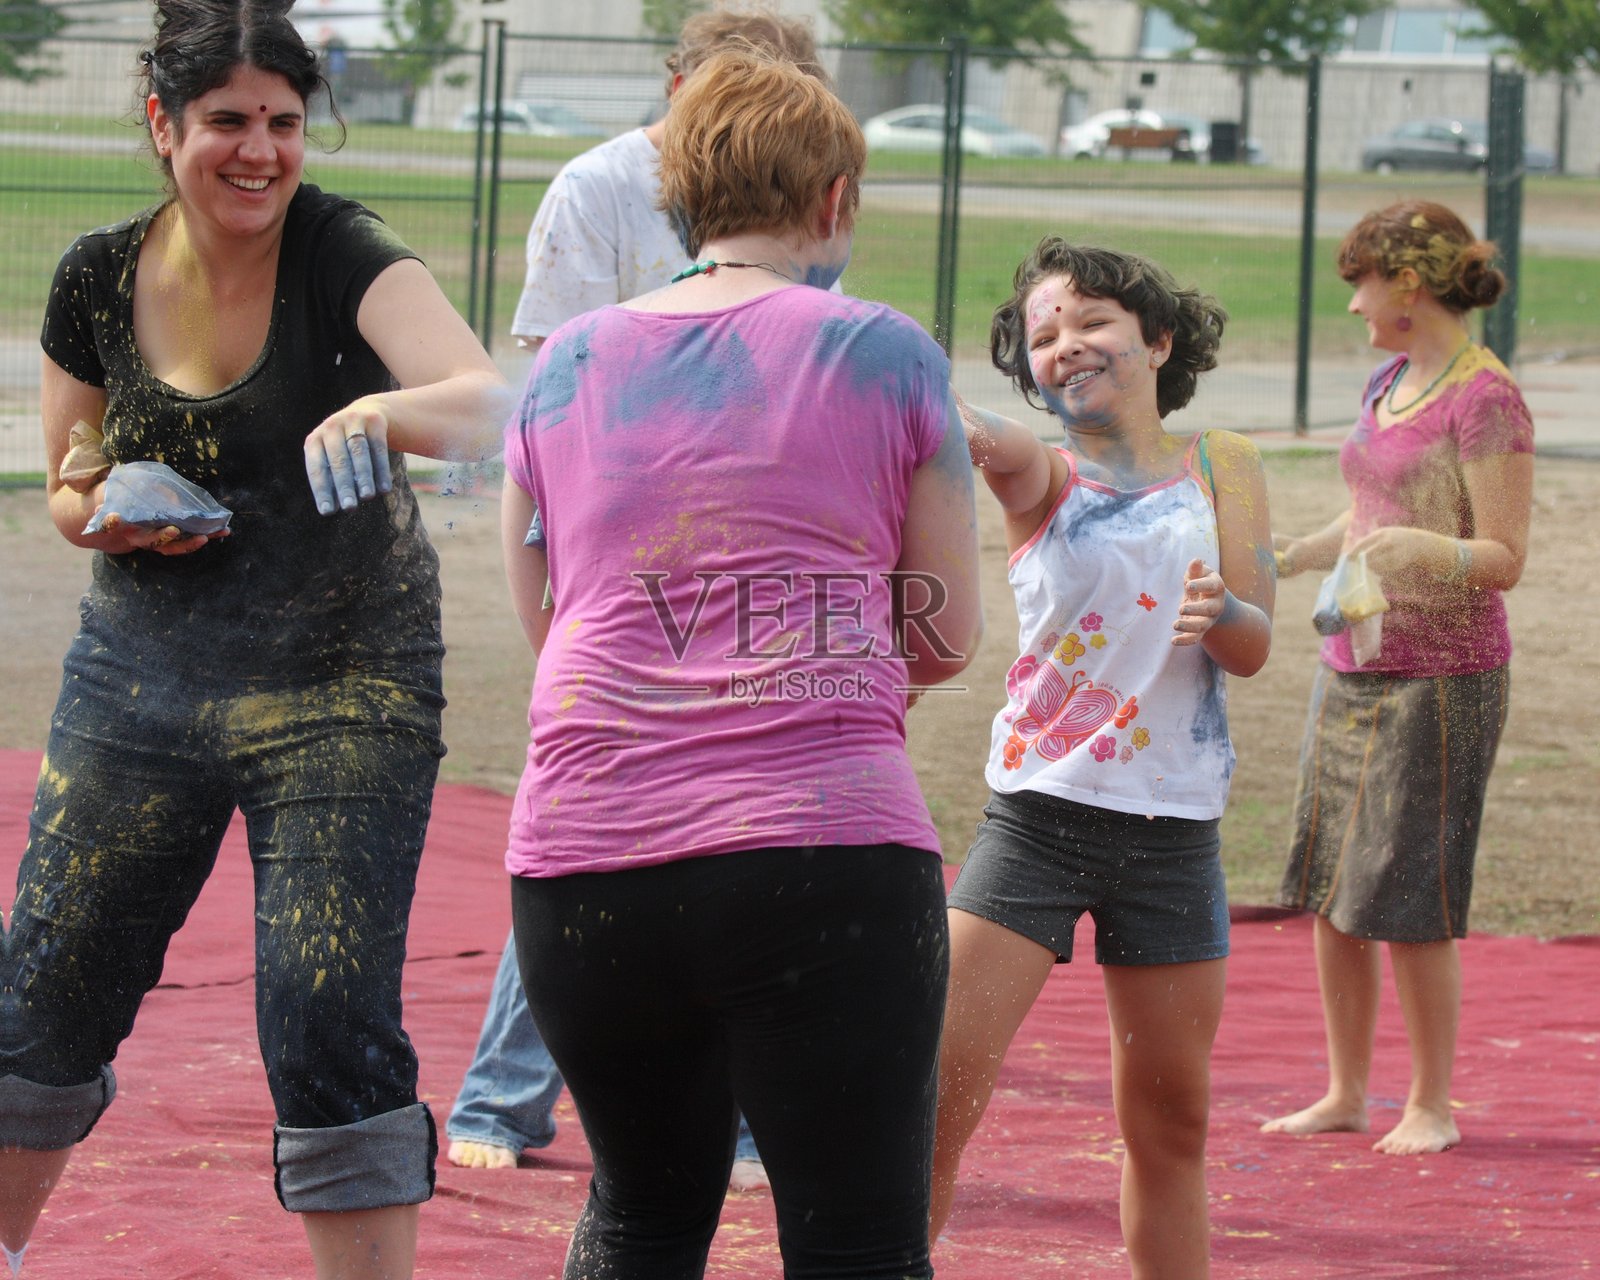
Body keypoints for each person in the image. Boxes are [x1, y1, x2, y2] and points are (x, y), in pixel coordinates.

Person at [0, 0, 511, 1274]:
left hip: (347, 680)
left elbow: (485, 404)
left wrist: (386, 408)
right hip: (141, 680)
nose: (260, 150)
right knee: (44, 995)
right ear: (163, 123)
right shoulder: (95, 275)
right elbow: (67, 479)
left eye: (284, 121)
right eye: (228, 120)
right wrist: (105, 516)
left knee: (324, 1009)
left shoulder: (345, 253)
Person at [500, 47, 981, 1279]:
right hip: (822, 852)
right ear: (833, 203)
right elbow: (941, 630)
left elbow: (551, 620)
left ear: (677, 199)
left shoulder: (563, 365)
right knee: (860, 1237)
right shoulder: (884, 352)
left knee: (639, 1218)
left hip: (587, 857)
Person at [447, 2, 825, 1189]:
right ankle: (503, 1096)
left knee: (752, 825)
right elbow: (544, 402)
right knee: (599, 820)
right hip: (623, 554)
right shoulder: (598, 187)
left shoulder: (813, 191)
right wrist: (557, 592)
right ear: (679, 84)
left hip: (758, 557)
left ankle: (753, 1110)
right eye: (728, 87)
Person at [929, 240, 1275, 1277]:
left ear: (1158, 338)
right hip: (1035, 821)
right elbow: (987, 440)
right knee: (934, 1099)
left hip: (1174, 837)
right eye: (1042, 336)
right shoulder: (1047, 474)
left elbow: (1255, 648)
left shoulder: (1226, 463)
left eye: (1090, 322)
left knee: (1170, 1127)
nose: (1066, 346)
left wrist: (1222, 613)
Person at [1261, 201, 1533, 1157]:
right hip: (1354, 664)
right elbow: (1364, 510)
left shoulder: (1486, 398)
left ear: (1408, 286)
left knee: (1409, 895)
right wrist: (1287, 557)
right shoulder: (1390, 377)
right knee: (1334, 888)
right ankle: (1346, 1092)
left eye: (1360, 285)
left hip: (1445, 680)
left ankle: (1432, 1104)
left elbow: (1504, 557)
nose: (1352, 307)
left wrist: (1435, 549)